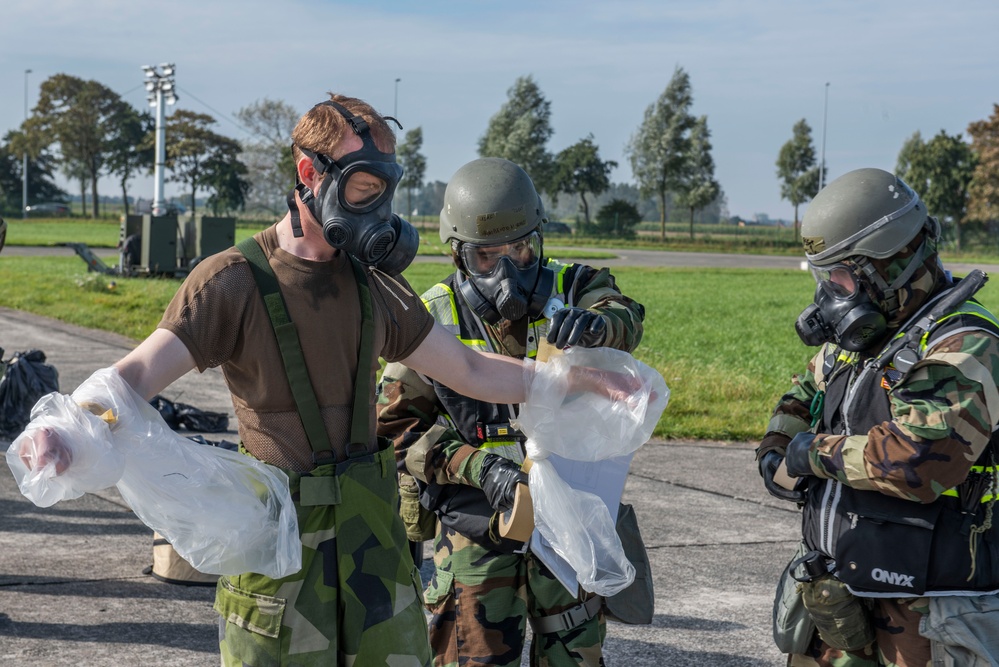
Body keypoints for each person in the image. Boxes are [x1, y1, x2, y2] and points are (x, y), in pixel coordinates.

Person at [15, 96, 639, 667]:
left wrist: (563, 381)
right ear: (310, 175)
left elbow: (471, 369)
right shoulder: (231, 282)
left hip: (373, 543)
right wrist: (64, 429)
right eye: (365, 188)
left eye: (387, 190)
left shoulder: (376, 288)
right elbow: (132, 378)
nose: (380, 211)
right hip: (279, 543)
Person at [376, 157, 646, 667]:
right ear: (457, 255)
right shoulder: (430, 317)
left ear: (538, 237)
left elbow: (625, 314)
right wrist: (481, 469)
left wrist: (595, 328)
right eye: (486, 257)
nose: (508, 270)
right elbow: (396, 429)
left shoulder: (572, 287)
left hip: (570, 530)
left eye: (521, 249)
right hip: (478, 533)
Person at [757, 167, 999, 666]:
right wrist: (776, 445)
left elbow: (921, 461)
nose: (830, 296)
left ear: (889, 265)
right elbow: (803, 396)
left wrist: (811, 455)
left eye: (840, 277)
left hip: (926, 617)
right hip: (843, 598)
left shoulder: (964, 344)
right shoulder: (870, 340)